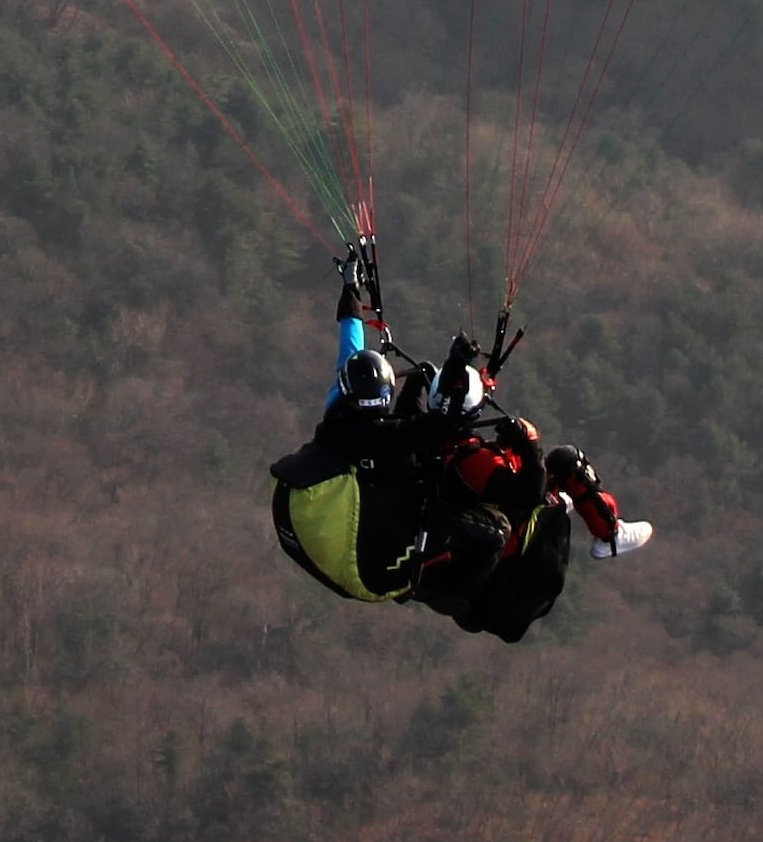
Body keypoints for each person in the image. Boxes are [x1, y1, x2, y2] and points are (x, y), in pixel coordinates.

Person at [269, 238, 645, 645]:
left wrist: (351, 289)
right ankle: (607, 536)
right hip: (378, 558)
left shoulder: (342, 408)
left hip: (334, 516)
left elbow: (352, 342)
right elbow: (439, 425)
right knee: (551, 478)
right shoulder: (391, 439)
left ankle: (600, 536)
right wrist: (527, 442)